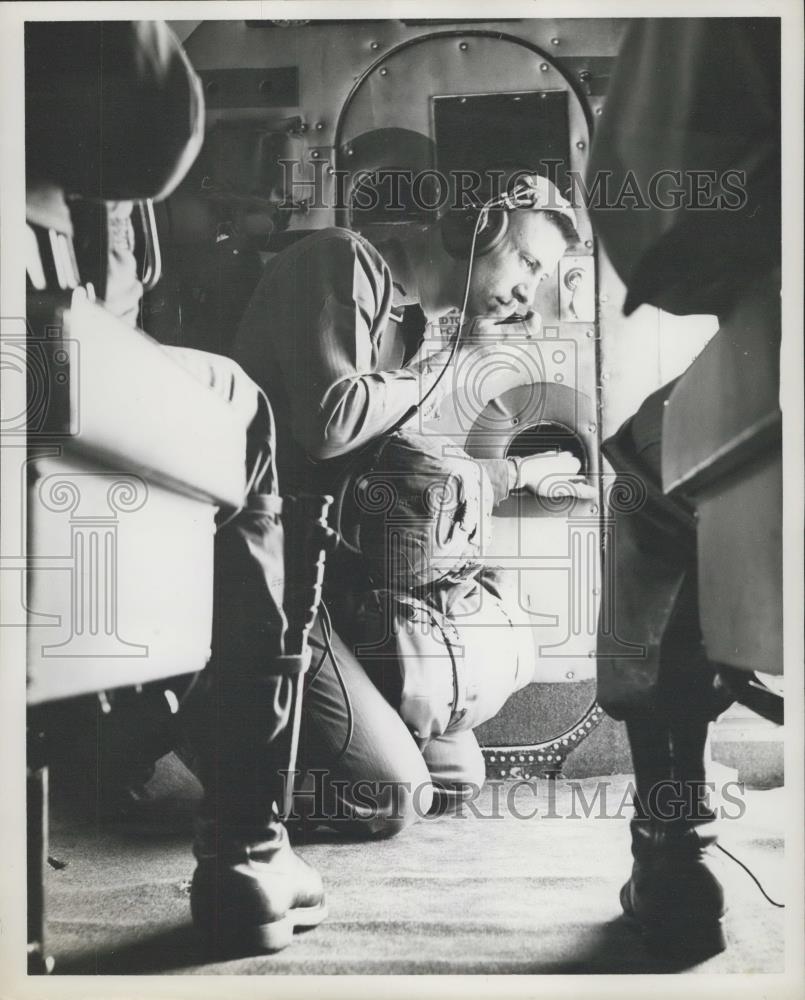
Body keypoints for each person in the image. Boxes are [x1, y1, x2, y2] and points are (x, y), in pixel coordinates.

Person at [233, 173, 592, 837]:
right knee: (390, 797)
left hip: (332, 580)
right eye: (528, 261)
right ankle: (227, 750)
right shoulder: (341, 261)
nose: (526, 290)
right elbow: (331, 420)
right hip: (266, 578)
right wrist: (440, 363)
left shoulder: (413, 326)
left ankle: (287, 739)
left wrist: (514, 470)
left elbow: (403, 482)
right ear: (479, 227)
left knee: (456, 779)